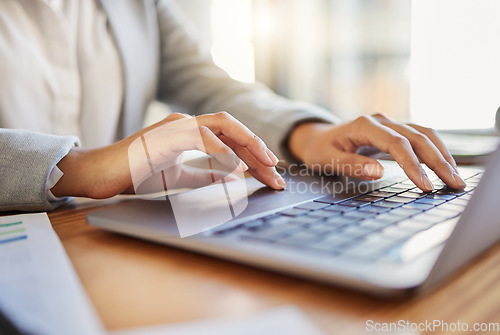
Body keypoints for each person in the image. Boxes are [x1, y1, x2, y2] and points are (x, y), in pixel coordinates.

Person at [0, 0, 465, 212]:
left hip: (93, 232)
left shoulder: (137, 6)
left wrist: (308, 135)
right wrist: (79, 167)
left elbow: (210, 86)